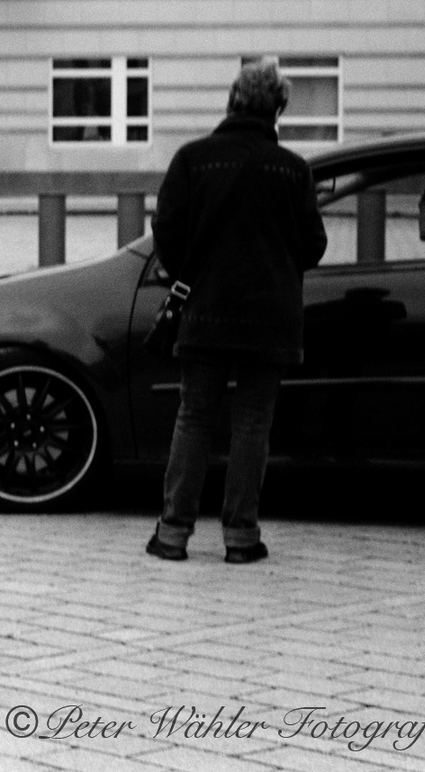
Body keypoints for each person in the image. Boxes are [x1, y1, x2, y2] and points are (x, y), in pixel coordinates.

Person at [145, 60, 327, 566]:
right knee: (252, 425)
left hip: (206, 310)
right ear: (279, 111)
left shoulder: (192, 159)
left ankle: (174, 533)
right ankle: (241, 538)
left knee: (194, 417)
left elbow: (168, 232)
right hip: (272, 316)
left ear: (231, 100)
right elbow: (313, 246)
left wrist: (194, 273)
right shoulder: (293, 169)